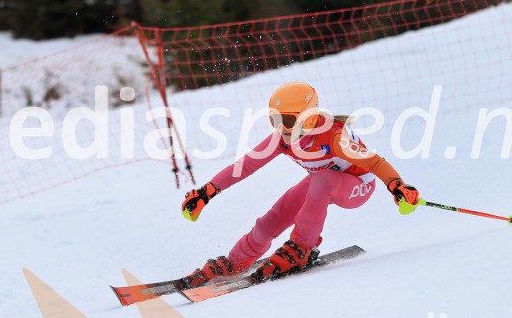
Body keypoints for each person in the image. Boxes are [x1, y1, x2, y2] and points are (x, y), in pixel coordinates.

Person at [180, 82, 420, 287]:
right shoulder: (281, 138)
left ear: (309, 117)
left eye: (286, 120)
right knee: (270, 221)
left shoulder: (334, 137)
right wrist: (207, 191)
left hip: (357, 186)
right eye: (273, 119)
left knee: (321, 179)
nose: (279, 128)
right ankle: (237, 260)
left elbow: (375, 163)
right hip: (321, 182)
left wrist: (397, 185)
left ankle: (302, 247)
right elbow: (245, 166)